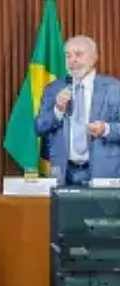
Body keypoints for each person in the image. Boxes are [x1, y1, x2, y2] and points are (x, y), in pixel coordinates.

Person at [35, 35, 120, 186]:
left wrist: (106, 129)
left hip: (104, 172)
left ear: (94, 58)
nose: (72, 60)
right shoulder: (54, 88)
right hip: (64, 172)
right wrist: (58, 110)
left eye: (79, 54)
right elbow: (39, 127)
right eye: (68, 56)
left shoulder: (114, 88)